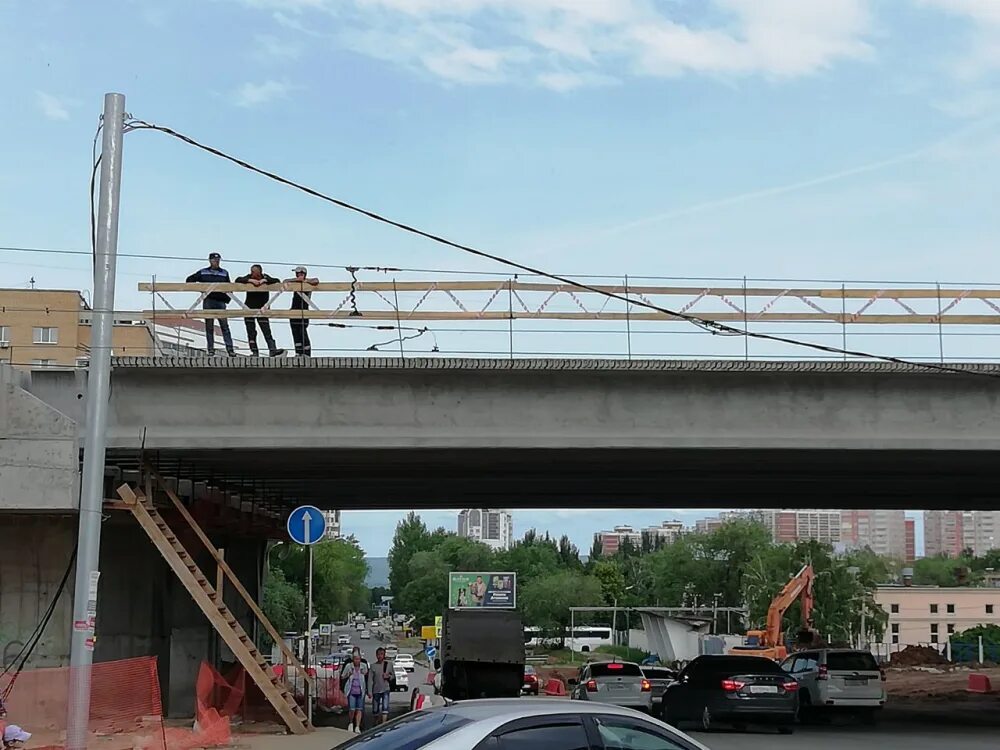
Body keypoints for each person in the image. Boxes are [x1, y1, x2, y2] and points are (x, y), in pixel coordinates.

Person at [186, 252, 235, 356]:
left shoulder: (224, 273)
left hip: (220, 302)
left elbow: (229, 287)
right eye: (214, 260)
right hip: (208, 300)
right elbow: (189, 280)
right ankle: (211, 349)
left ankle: (230, 349)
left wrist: (227, 298)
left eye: (218, 260)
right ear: (210, 261)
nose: (216, 262)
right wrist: (200, 288)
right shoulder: (203, 272)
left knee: (224, 326)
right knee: (209, 326)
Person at [234, 264, 285, 357]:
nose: (253, 274)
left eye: (255, 273)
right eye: (252, 272)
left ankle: (272, 350)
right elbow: (238, 279)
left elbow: (277, 281)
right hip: (249, 309)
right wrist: (250, 280)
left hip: (262, 309)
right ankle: (254, 352)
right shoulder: (249, 277)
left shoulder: (265, 277)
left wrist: (264, 280)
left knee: (266, 331)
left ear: (260, 272)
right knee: (251, 332)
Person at [285, 266, 319, 356]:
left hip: (304, 310)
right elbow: (284, 281)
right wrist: (296, 280)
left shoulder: (308, 283)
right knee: (295, 331)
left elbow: (316, 280)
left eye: (298, 273)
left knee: (302, 330)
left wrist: (304, 281)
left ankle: (307, 353)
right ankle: (298, 352)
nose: (297, 275)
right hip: (294, 310)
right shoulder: (295, 282)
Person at [339, 648, 369, 734]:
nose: (357, 661)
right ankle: (351, 722)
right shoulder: (349, 666)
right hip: (351, 690)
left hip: (360, 690)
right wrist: (348, 674)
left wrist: (364, 673)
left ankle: (357, 726)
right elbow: (342, 676)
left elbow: (366, 674)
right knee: (352, 709)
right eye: (355, 659)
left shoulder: (363, 666)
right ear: (353, 659)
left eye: (358, 659)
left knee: (359, 709)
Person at [370, 647, 393, 725]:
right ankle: (376, 723)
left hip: (386, 689)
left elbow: (393, 676)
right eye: (378, 654)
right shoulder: (373, 666)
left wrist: (388, 676)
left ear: (384, 655)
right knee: (375, 708)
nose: (380, 656)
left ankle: (384, 724)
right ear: (376, 655)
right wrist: (369, 691)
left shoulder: (389, 665)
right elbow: (370, 680)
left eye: (382, 654)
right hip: (376, 689)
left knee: (385, 707)